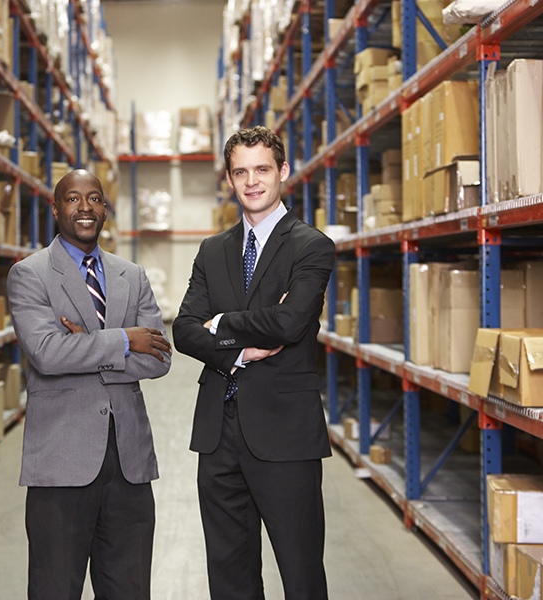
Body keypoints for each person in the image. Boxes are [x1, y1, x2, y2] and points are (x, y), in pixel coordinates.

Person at [173, 126, 335, 600]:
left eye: (262, 169)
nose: (252, 181)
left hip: (285, 434)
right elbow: (183, 330)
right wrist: (241, 346)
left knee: (300, 571)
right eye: (240, 172)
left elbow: (288, 323)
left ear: (283, 171)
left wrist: (219, 322)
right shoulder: (213, 250)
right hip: (218, 434)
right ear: (229, 178)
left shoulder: (311, 246)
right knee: (230, 575)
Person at [7, 169, 172, 600]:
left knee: (130, 590)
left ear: (105, 207)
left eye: (95, 198)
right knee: (55, 589)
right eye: (74, 199)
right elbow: (46, 353)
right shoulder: (30, 274)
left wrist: (84, 345)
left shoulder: (130, 275)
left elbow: (158, 359)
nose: (86, 207)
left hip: (129, 466)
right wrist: (122, 340)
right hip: (62, 464)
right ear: (57, 208)